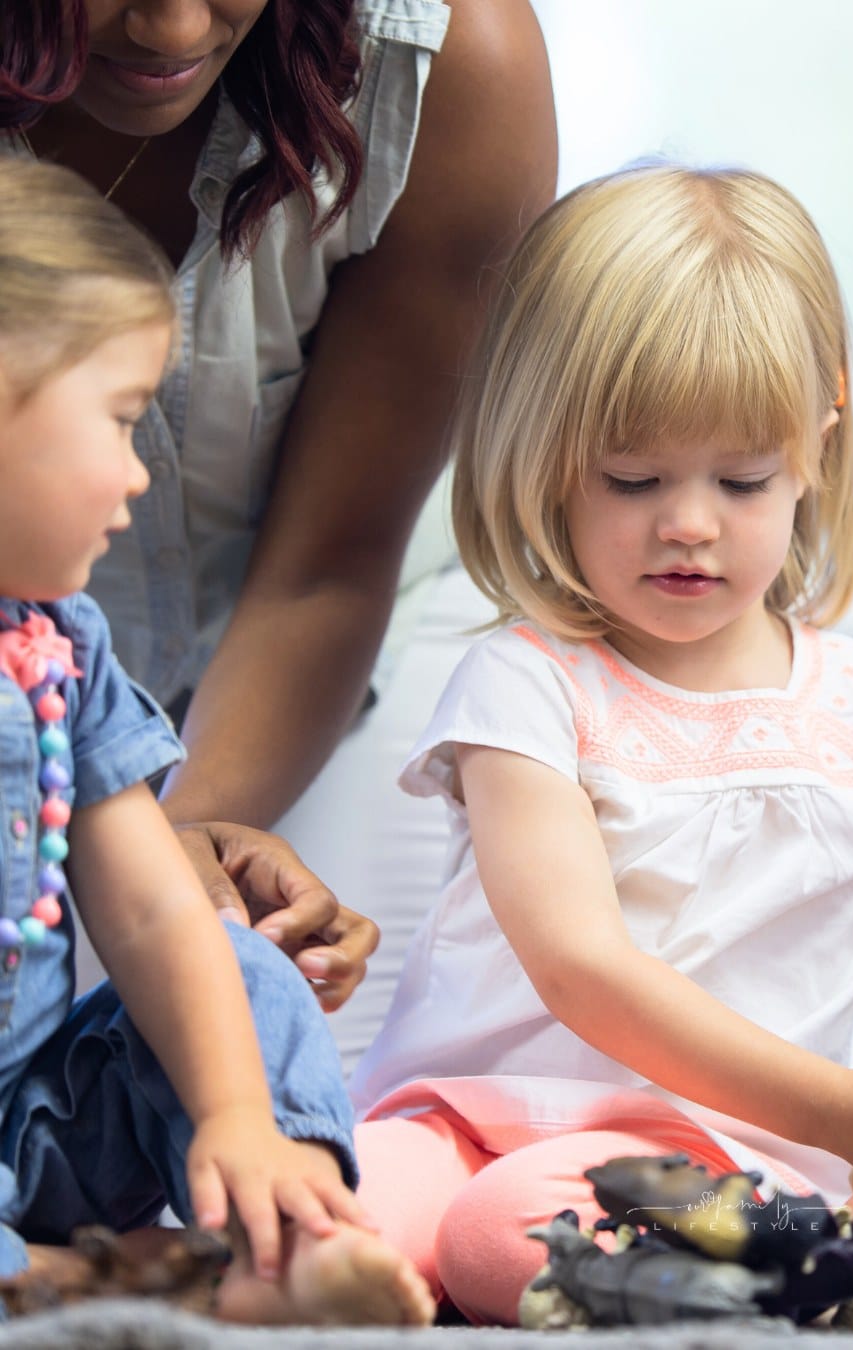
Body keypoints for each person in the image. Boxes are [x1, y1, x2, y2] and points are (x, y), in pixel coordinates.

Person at [348, 163, 853, 1325]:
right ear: (549, 457)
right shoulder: (527, 680)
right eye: (634, 477)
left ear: (820, 432)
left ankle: (833, 1248)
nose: (689, 522)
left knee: (505, 1234)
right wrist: (850, 1110)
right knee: (345, 1210)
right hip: (463, 1112)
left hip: (715, 1157)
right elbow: (581, 968)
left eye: (743, 478)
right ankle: (828, 1266)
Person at [0, 1, 558, 1053]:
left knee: (325, 1066)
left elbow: (329, 567)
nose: (170, 33)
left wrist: (172, 843)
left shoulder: (452, 69)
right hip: (26, 679)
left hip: (354, 649)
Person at [0, 155, 435, 1327]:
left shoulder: (61, 647)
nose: (139, 479)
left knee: (240, 963)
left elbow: (153, 912)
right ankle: (76, 1275)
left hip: (39, 1121)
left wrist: (237, 1110)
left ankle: (279, 1231)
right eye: (122, 423)